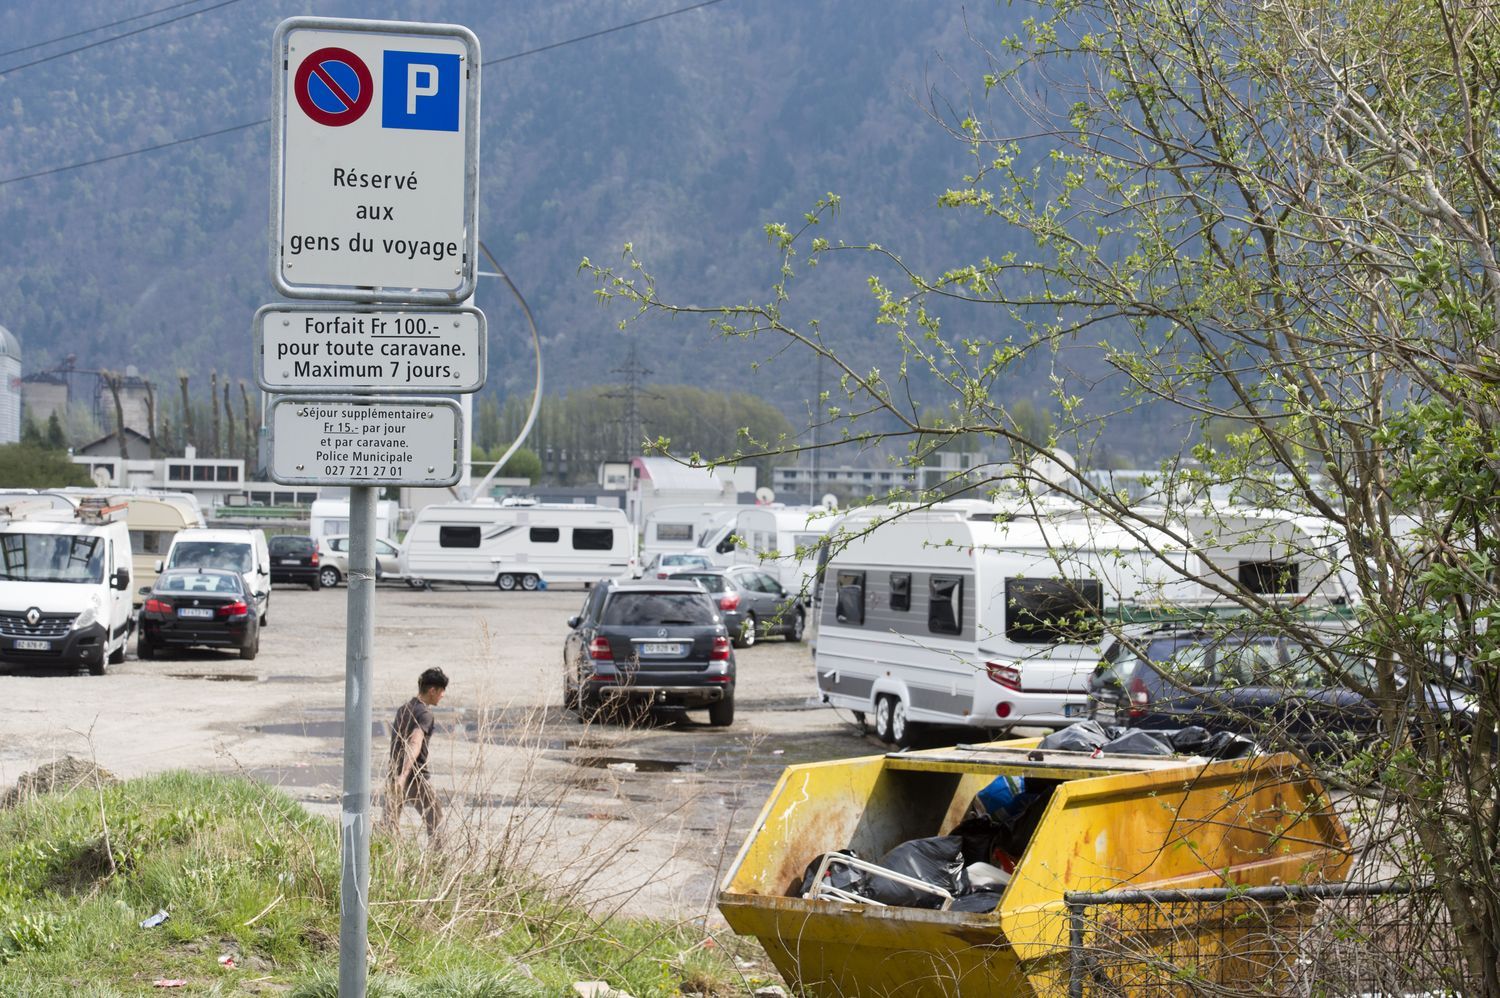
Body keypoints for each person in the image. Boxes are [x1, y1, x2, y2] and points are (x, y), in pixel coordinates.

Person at [383, 666, 448, 840]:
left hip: (393, 774)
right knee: (436, 821)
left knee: (389, 826)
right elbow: (415, 741)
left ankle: (388, 861)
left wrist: (397, 776)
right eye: (442, 691)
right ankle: (437, 863)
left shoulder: (404, 709)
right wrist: (404, 776)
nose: (443, 695)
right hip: (414, 778)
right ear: (432, 690)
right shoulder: (425, 714)